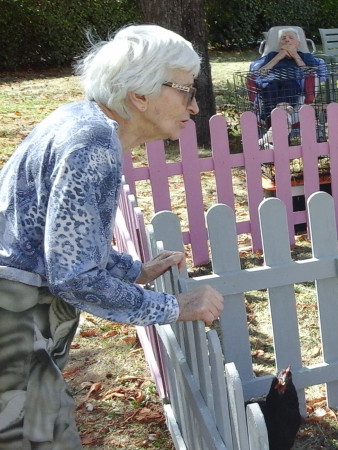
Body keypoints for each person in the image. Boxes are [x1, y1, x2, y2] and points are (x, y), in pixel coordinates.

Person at [0, 24, 224, 447]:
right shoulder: (92, 145)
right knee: (38, 433)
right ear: (140, 95)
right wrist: (173, 305)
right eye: (185, 91)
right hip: (11, 318)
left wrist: (134, 270)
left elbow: (64, 239)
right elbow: (75, 277)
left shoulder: (80, 120)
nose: (194, 107)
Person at [250, 28, 326, 127]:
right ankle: (269, 116)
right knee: (270, 85)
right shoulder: (271, 56)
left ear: (298, 44)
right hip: (272, 82)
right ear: (280, 45)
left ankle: (282, 113)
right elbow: (260, 73)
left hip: (293, 83)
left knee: (290, 84)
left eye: (291, 38)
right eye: (283, 38)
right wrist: (279, 57)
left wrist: (295, 56)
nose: (287, 40)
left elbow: (310, 73)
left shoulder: (305, 56)